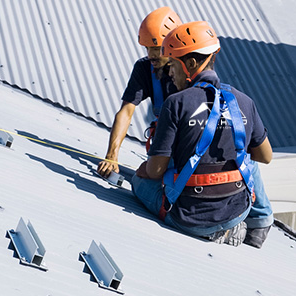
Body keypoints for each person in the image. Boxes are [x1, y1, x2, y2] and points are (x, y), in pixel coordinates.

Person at [131, 20, 274, 247]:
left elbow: (156, 170)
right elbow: (265, 156)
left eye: (173, 65)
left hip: (187, 217)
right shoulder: (245, 101)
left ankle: (208, 232)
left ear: (191, 62)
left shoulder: (176, 103)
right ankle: (254, 225)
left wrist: (144, 170)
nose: (169, 73)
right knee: (246, 157)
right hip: (236, 210)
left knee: (138, 181)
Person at [97, 6, 182, 179]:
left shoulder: (189, 72)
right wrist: (112, 157)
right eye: (147, 48)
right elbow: (126, 112)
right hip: (166, 149)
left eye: (156, 48)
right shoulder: (145, 68)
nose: (151, 55)